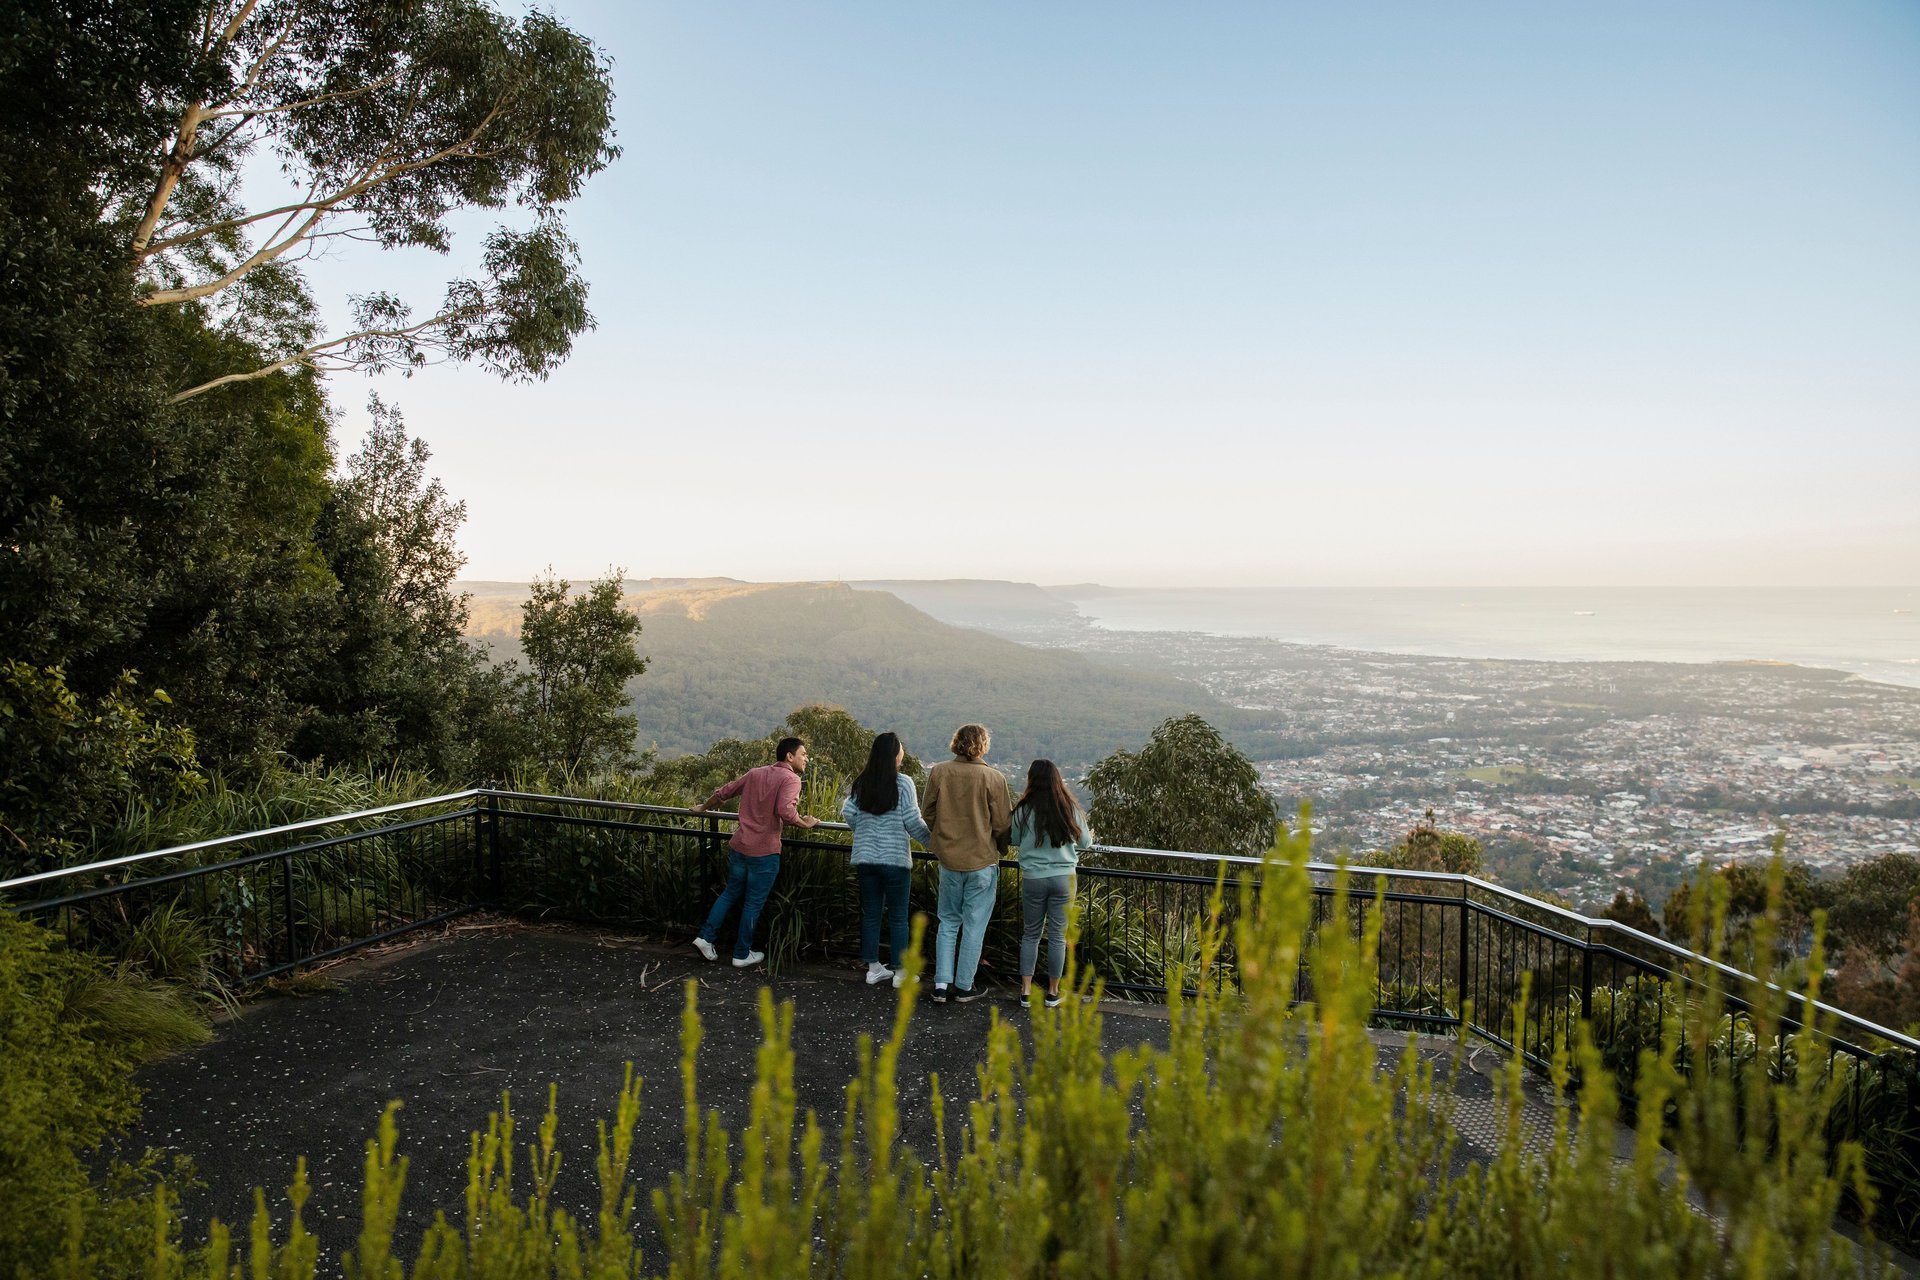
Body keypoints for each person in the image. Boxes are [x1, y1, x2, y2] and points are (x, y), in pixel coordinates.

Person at [690, 736, 819, 968]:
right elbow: (785, 812)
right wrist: (806, 823)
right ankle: (741, 953)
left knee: (730, 893)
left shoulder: (755, 773)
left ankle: (705, 937)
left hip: (740, 846)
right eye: (804, 754)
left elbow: (724, 792)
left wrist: (703, 807)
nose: (806, 758)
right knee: (753, 904)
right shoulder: (791, 779)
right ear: (790, 756)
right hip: (764, 852)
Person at [921, 723, 1010, 1003]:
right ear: (983, 745)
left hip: (949, 860)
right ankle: (964, 985)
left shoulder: (939, 772)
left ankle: (941, 984)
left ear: (956, 742)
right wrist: (1001, 848)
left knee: (947, 922)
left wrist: (942, 838)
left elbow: (928, 812)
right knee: (974, 926)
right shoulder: (993, 778)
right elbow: (1002, 824)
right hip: (981, 860)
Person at [839, 731, 931, 990]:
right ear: (895, 754)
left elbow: (848, 811)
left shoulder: (862, 782)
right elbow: (913, 821)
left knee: (871, 914)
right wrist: (934, 844)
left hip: (866, 859)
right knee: (899, 917)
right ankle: (901, 973)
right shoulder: (903, 783)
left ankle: (873, 969)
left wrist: (865, 831)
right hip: (894, 860)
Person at [1010, 758, 1094, 1009]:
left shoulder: (1023, 810)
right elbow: (1085, 842)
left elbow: (1013, 838)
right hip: (1064, 878)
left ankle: (1025, 990)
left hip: (1034, 878)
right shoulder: (1069, 808)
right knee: (1058, 937)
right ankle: (1053, 992)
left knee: (1031, 934)